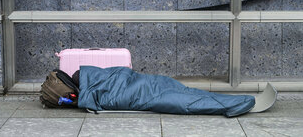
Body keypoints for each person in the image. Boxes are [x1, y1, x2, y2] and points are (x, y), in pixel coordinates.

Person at [72, 66, 255, 117]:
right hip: (154, 87)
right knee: (190, 97)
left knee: (189, 100)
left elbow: (120, 90)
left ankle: (233, 102)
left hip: (149, 89)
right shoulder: (98, 76)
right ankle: (234, 102)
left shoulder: (96, 88)